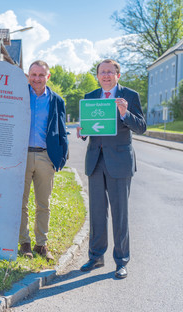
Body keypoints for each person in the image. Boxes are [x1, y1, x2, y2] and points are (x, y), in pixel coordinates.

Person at [77, 59, 146, 278]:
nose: (105, 75)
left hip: (120, 162)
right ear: (97, 76)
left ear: (118, 74)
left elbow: (142, 127)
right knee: (97, 213)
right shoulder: (90, 97)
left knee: (120, 214)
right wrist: (82, 130)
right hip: (95, 161)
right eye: (101, 72)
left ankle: (121, 260)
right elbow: (89, 128)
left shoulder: (130, 96)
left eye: (110, 72)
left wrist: (125, 113)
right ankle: (96, 256)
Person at [19, 60, 68, 260]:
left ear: (48, 77)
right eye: (33, 74)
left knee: (43, 203)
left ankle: (41, 244)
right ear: (28, 76)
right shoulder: (19, 95)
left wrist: (61, 157)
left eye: (41, 75)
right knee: (20, 203)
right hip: (20, 156)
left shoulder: (57, 100)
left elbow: (62, 130)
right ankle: (25, 243)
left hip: (45, 156)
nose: (37, 79)